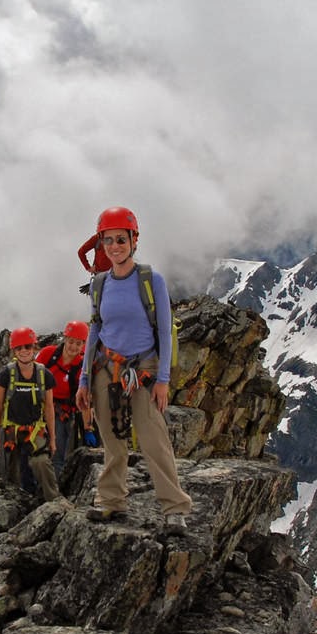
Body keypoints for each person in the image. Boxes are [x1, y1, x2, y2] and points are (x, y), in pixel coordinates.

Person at [77, 207, 194, 529]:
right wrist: (84, 380)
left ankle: (174, 508)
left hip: (143, 370)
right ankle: (110, 501)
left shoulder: (150, 280)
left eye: (120, 239)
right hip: (105, 368)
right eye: (108, 241)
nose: (115, 247)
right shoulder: (100, 284)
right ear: (101, 245)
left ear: (133, 240)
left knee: (153, 439)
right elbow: (95, 331)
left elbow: (164, 330)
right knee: (112, 441)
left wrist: (163, 381)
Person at [0, 327, 62, 502]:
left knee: (42, 463)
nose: (24, 351)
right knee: (12, 471)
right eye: (19, 348)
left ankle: (54, 502)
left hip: (35, 430)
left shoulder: (44, 374)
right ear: (14, 351)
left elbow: (49, 408)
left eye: (28, 347)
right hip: (11, 431)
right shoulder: (6, 374)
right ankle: (16, 506)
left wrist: (52, 439)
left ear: (34, 348)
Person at [37, 320, 89, 472]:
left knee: (57, 456)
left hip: (62, 414)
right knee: (33, 451)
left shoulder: (82, 366)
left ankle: (54, 491)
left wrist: (88, 427)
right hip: (39, 408)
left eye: (78, 344)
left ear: (83, 345)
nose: (73, 347)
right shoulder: (48, 354)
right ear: (65, 339)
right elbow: (32, 376)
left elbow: (85, 399)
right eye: (71, 341)